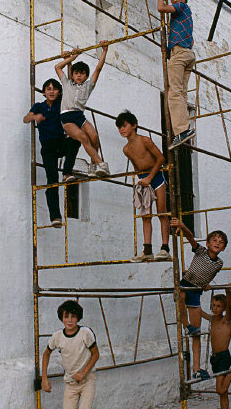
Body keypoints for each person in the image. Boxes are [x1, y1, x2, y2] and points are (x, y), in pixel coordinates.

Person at [171, 217, 231, 381]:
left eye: (220, 242)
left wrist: (207, 284)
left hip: (196, 291)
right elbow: (190, 237)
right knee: (181, 297)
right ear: (208, 242)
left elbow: (210, 273)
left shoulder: (219, 263)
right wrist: (183, 225)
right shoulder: (200, 251)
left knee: (196, 333)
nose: (217, 243)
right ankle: (186, 325)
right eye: (214, 240)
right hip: (186, 284)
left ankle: (196, 369)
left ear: (223, 248)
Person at [41, 300, 99, 409]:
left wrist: (83, 372)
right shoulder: (57, 336)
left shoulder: (85, 333)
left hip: (87, 380)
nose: (70, 320)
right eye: (66, 317)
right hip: (71, 384)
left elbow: (96, 354)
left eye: (73, 316)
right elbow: (46, 354)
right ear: (62, 318)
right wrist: (44, 378)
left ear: (78, 318)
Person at [23, 78, 80, 228]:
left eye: (54, 89)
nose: (51, 91)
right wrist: (35, 117)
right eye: (48, 89)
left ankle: (67, 172)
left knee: (75, 141)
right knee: (52, 180)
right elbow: (25, 118)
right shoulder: (39, 106)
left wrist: (69, 61)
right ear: (43, 92)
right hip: (48, 147)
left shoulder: (60, 103)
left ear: (59, 92)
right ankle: (55, 216)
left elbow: (69, 85)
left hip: (60, 142)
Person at [116, 110, 171, 262]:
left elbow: (161, 158)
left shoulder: (145, 140)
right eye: (119, 127)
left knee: (161, 212)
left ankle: (165, 248)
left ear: (134, 125)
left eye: (125, 125)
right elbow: (136, 166)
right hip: (144, 181)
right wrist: (141, 182)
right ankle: (147, 250)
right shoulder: (126, 149)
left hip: (157, 176)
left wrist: (150, 177)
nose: (122, 129)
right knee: (145, 215)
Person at [55, 45, 110, 178]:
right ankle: (101, 163)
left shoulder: (88, 86)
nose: (79, 75)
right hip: (67, 117)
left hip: (79, 116)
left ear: (86, 76)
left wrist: (105, 50)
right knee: (83, 137)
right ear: (73, 75)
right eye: (76, 73)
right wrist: (71, 58)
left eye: (82, 73)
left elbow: (98, 68)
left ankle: (93, 167)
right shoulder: (67, 83)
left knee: (94, 137)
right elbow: (57, 67)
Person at [156, 0, 196, 150]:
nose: (174, 0)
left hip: (180, 54)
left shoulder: (182, 7)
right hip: (186, 53)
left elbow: (161, 9)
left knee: (173, 93)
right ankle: (184, 128)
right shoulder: (185, 16)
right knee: (182, 94)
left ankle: (182, 130)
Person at [200, 289, 231, 409]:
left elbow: (229, 307)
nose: (214, 308)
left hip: (224, 357)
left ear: (223, 308)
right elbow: (198, 311)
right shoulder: (212, 320)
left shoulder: (226, 320)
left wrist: (228, 292)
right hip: (215, 359)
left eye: (218, 306)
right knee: (223, 394)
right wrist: (186, 298)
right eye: (213, 305)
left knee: (220, 390)